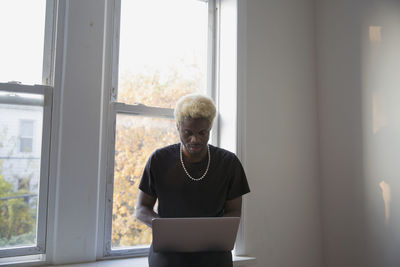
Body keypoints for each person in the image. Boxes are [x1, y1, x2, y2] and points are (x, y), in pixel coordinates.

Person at [135, 93, 250, 267]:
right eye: (188, 133)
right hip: (169, 251)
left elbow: (234, 212)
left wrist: (211, 233)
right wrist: (167, 230)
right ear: (178, 127)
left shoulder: (229, 163)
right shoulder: (159, 159)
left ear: (210, 128)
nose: (195, 139)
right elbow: (142, 208)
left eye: (202, 133)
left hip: (213, 251)